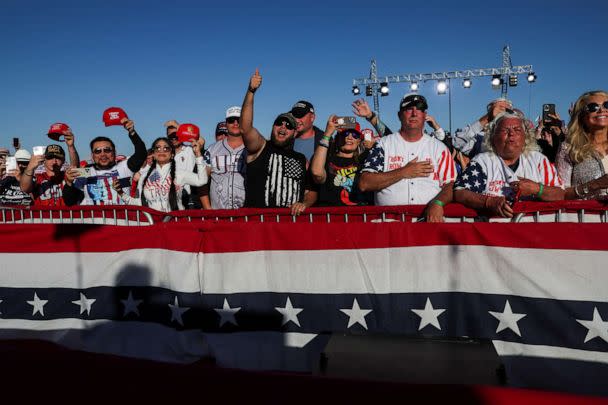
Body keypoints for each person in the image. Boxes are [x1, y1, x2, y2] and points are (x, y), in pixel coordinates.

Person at [359, 94, 456, 222]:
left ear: (425, 115)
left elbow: (450, 185)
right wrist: (404, 172)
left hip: (427, 223)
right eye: (409, 109)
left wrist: (437, 203)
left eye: (419, 109)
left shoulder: (440, 148)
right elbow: (365, 183)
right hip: (389, 225)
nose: (414, 113)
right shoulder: (383, 145)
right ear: (399, 115)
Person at [453, 112, 566, 218]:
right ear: (493, 137)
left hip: (533, 233)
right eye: (504, 130)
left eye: (517, 130)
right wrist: (489, 202)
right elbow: (460, 192)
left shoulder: (539, 161)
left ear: (525, 137)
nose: (511, 133)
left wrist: (538, 189)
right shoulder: (483, 161)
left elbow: (561, 193)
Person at [240, 69, 316, 214]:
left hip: (289, 226)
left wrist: (304, 203)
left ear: (294, 133)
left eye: (289, 126)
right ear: (273, 127)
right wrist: (251, 91)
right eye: (279, 123)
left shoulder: (301, 159)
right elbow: (245, 128)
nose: (283, 127)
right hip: (259, 224)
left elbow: (311, 191)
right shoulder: (260, 147)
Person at [62, 118, 146, 205]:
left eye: (107, 150)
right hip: (94, 218)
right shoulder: (86, 171)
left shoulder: (124, 167)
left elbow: (141, 153)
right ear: (92, 155)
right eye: (98, 151)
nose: (103, 154)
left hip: (122, 218)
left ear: (114, 152)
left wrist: (132, 132)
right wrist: (68, 183)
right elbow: (69, 201)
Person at [114, 137, 208, 212]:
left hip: (175, 225)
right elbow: (138, 203)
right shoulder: (144, 177)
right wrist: (121, 193)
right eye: (158, 148)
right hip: (153, 226)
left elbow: (202, 180)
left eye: (166, 148)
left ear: (172, 154)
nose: (162, 150)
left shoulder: (179, 174)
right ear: (154, 154)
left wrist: (198, 155)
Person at [556, 90, 608, 198]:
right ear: (581, 116)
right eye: (593, 107)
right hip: (586, 214)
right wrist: (595, 184)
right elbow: (560, 192)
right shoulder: (568, 148)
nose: (602, 110)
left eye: (606, 105)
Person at [310, 116, 371, 206]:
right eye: (345, 134)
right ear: (338, 138)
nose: (349, 137)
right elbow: (317, 173)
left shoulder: (365, 160)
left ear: (359, 141)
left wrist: (371, 116)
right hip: (331, 216)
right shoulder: (324, 158)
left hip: (358, 216)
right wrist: (327, 134)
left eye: (354, 135)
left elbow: (393, 142)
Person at [201, 114, 247, 209]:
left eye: (239, 120)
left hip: (246, 214)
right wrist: (207, 208)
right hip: (218, 215)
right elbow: (201, 181)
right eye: (231, 120)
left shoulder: (252, 148)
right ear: (226, 124)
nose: (235, 123)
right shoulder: (211, 150)